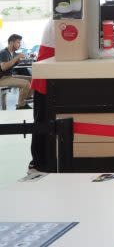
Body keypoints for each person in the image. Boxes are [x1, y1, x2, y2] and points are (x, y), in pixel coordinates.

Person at [30, 20, 55, 171]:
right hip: (45, 79)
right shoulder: (58, 22)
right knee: (41, 122)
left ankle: (41, 161)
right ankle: (37, 163)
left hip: (49, 77)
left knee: (43, 121)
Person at [0, 34, 31, 110]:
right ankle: (21, 106)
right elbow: (3, 67)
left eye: (20, 43)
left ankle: (24, 100)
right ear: (11, 42)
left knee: (32, 79)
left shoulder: (13, 53)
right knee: (26, 83)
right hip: (2, 79)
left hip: (9, 76)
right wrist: (17, 57)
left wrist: (23, 59)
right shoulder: (4, 53)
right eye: (18, 42)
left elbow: (14, 63)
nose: (20, 45)